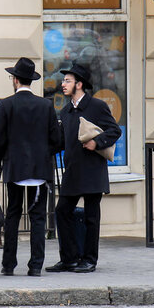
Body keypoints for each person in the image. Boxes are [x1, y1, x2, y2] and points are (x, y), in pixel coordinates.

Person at [45, 63, 121, 274]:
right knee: (62, 211)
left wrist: (97, 143)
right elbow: (61, 141)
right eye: (64, 81)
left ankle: (89, 259)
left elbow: (114, 131)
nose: (63, 84)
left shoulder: (96, 106)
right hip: (73, 171)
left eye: (68, 81)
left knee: (91, 216)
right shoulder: (66, 110)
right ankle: (69, 258)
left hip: (92, 170)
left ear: (79, 84)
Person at [0, 57, 62, 277]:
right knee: (38, 218)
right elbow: (57, 140)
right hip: (40, 169)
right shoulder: (46, 105)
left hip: (15, 168)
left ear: (15, 80)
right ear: (30, 80)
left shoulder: (5, 104)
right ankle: (36, 266)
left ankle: (9, 264)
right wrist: (44, 153)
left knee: (13, 215)